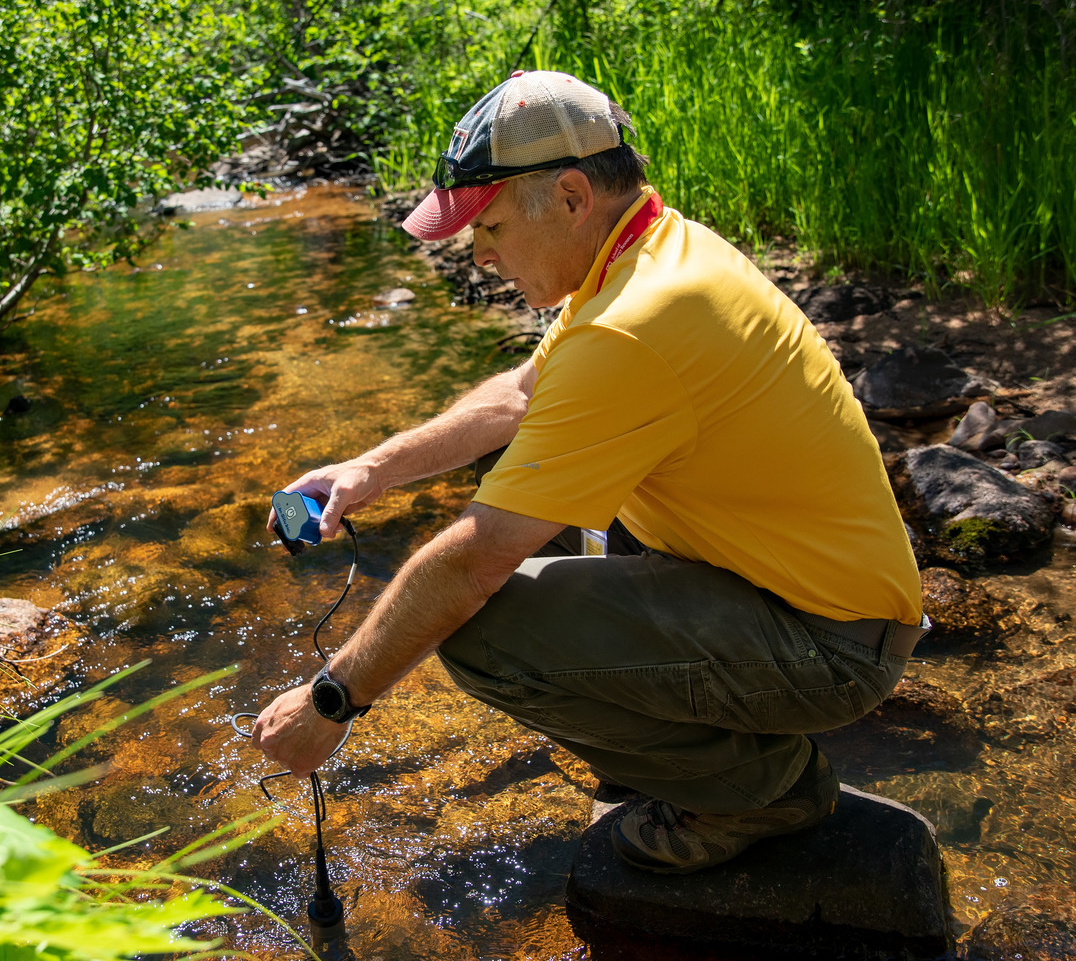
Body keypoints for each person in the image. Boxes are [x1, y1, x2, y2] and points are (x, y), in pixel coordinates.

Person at [249, 69, 926, 874]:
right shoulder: (651, 249)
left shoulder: (632, 326)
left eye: (491, 226)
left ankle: (764, 791)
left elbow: (473, 563)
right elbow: (520, 396)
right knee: (519, 468)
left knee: (484, 632)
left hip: (834, 648)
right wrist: (371, 468)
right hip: (806, 594)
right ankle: (678, 732)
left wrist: (333, 700)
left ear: (571, 196)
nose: (481, 254)